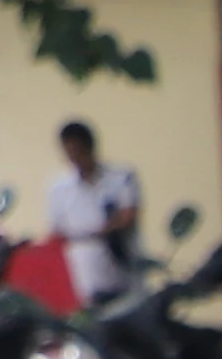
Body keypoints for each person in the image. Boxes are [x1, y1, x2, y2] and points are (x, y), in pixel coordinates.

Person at [42, 121, 147, 307]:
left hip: (123, 276)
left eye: (78, 151)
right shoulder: (58, 188)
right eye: (69, 152)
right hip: (84, 281)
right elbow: (55, 234)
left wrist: (101, 230)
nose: (74, 158)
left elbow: (127, 216)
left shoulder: (120, 177)